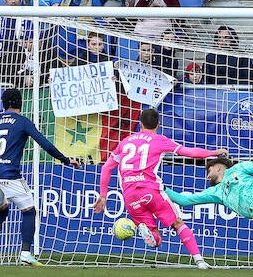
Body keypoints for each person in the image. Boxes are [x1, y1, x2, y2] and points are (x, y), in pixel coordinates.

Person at [93, 107, 221, 268]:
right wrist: (213, 152)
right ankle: (199, 261)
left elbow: (106, 168)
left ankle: (151, 236)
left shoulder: (125, 142)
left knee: (156, 238)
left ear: (140, 124)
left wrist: (103, 195)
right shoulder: (159, 140)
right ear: (158, 124)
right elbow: (187, 152)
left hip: (130, 194)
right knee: (177, 223)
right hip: (150, 189)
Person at [0, 87, 76, 266]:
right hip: (9, 173)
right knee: (30, 210)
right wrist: (65, 160)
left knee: (1, 210)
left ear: (3, 104)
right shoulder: (23, 122)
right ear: (20, 103)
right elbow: (45, 144)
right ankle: (25, 253)